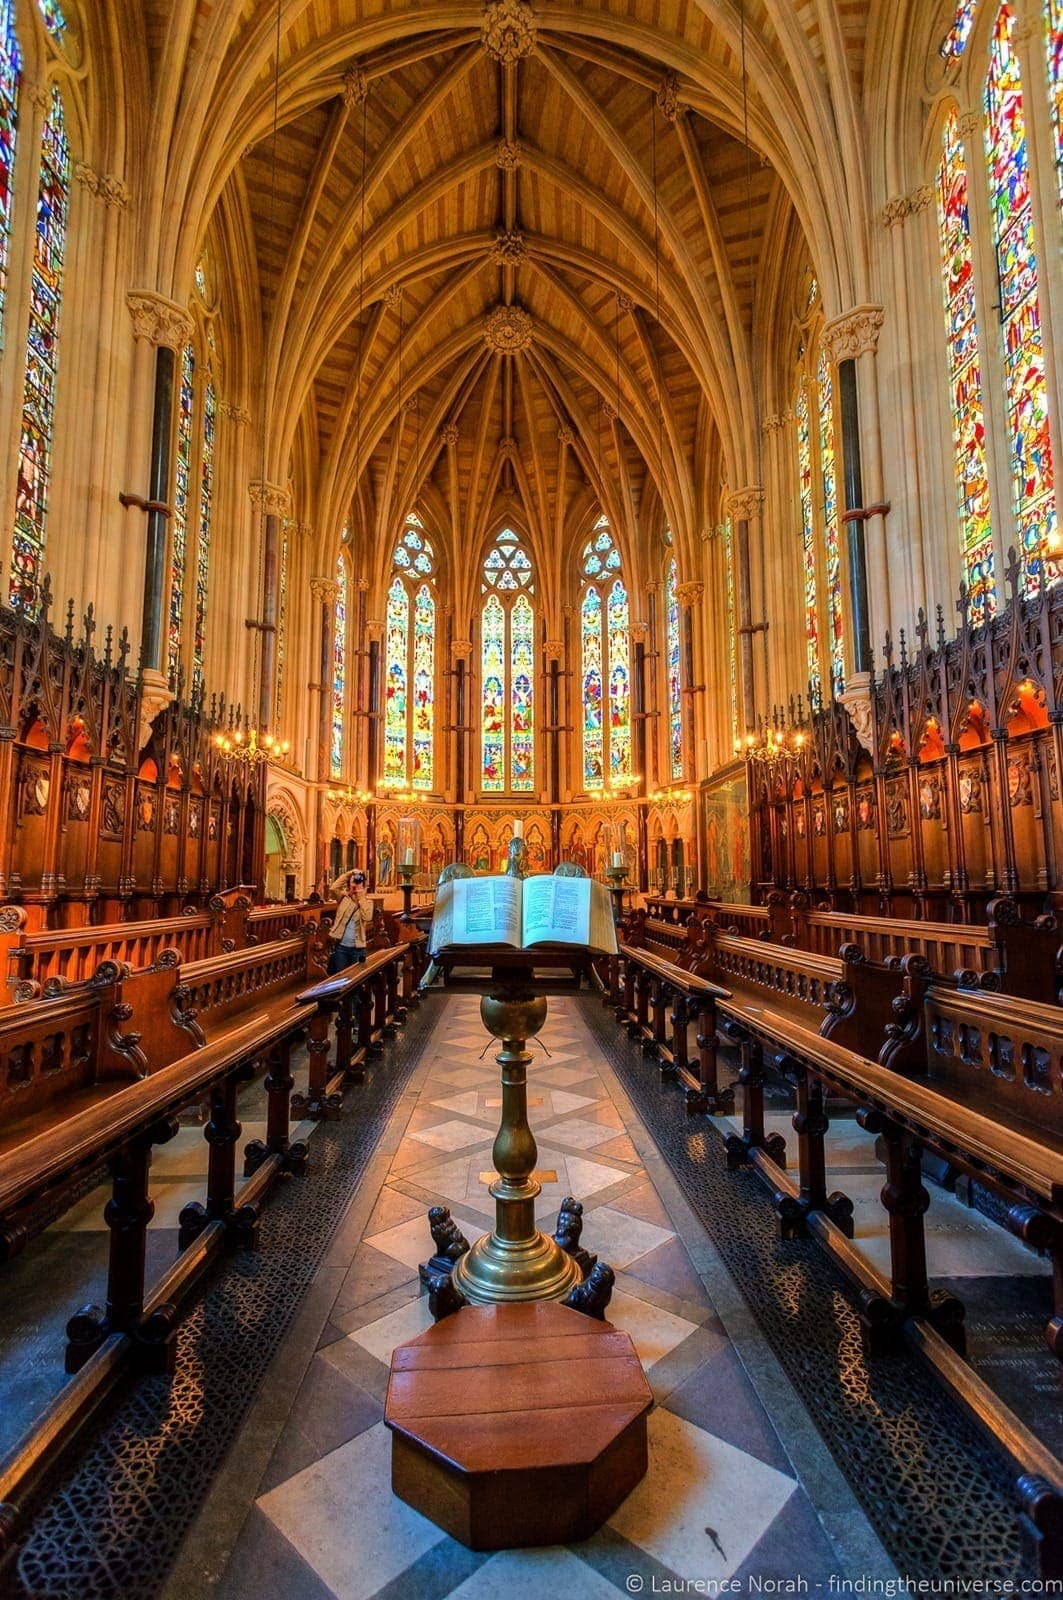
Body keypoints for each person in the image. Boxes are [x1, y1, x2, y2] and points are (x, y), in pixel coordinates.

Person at [326, 870, 372, 974]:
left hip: (358, 949)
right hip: (341, 948)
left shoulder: (367, 902)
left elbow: (367, 917)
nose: (355, 884)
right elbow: (333, 888)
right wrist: (349, 874)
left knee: (357, 979)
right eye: (353, 882)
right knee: (340, 979)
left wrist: (361, 896)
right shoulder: (343, 897)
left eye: (357, 882)